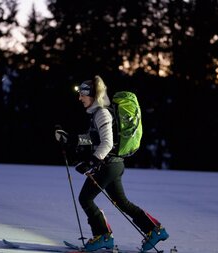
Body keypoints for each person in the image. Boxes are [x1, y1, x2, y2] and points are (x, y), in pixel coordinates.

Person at [55, 75, 169, 251]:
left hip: (109, 165)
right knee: (122, 202)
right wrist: (70, 139)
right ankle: (155, 230)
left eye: (82, 94)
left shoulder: (102, 113)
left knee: (85, 198)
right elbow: (92, 138)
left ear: (92, 95)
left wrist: (91, 162)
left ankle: (103, 236)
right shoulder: (98, 113)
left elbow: (107, 143)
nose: (80, 98)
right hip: (113, 165)